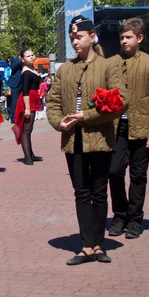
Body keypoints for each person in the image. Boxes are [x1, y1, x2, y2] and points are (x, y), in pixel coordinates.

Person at [46, 15, 127, 265]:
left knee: (99, 192)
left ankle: (98, 244)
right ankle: (85, 246)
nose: (74, 41)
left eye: (79, 36)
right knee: (81, 192)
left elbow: (121, 101)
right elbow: (53, 101)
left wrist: (88, 115)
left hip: (100, 138)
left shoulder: (108, 66)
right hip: (74, 140)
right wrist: (58, 122)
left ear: (92, 37)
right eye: (72, 37)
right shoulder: (65, 69)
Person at [107, 18, 149, 240]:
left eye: (128, 37)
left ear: (139, 38)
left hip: (142, 127)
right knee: (114, 172)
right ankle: (119, 216)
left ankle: (135, 220)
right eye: (122, 37)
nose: (124, 41)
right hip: (116, 127)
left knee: (138, 174)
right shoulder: (111, 62)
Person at [13, 48, 42, 165]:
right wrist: (28, 108)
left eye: (32, 55)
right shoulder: (25, 72)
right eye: (28, 56)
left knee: (29, 130)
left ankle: (31, 154)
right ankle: (27, 157)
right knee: (26, 130)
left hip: (33, 99)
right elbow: (25, 91)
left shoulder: (32, 69)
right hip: (27, 100)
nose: (31, 57)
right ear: (22, 59)